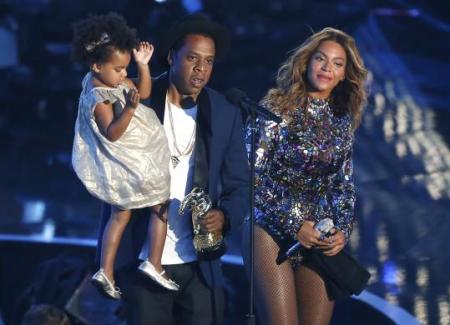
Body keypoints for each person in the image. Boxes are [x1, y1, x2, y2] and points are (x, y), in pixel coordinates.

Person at [96, 13, 249, 324]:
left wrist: (225, 216)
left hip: (199, 264)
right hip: (142, 259)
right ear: (170, 57)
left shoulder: (224, 113)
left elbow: (240, 185)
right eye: (192, 58)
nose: (201, 68)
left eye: (208, 61)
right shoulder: (136, 99)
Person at [242, 27, 368, 325]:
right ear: (307, 61)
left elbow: (344, 185)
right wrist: (294, 223)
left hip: (318, 236)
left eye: (337, 64)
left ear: (344, 74)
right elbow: (248, 175)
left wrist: (342, 232)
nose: (327, 68)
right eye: (321, 59)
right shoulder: (276, 105)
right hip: (268, 227)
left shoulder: (343, 118)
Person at [71, 12, 179, 299]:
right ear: (96, 65)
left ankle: (107, 271)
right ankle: (151, 263)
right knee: (159, 206)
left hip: (139, 157)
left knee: (125, 214)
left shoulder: (110, 80)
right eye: (119, 69)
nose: (123, 75)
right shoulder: (98, 96)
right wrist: (129, 110)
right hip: (131, 161)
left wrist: (142, 67)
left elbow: (142, 91)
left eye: (125, 68)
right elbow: (112, 132)